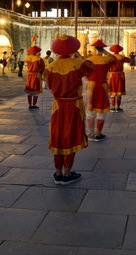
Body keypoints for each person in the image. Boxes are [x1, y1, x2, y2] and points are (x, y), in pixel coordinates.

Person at [45, 35, 95, 185]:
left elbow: (49, 85)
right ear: (72, 49)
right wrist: (78, 56)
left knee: (58, 137)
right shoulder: (77, 63)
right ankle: (67, 172)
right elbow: (91, 67)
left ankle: (58, 172)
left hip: (58, 105)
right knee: (71, 136)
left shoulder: (50, 67)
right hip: (74, 105)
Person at [85, 39, 115, 141]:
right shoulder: (106, 60)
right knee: (101, 111)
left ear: (94, 49)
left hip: (91, 86)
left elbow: (84, 72)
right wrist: (104, 51)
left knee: (90, 110)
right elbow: (114, 59)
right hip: (102, 86)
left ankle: (91, 133)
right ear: (101, 49)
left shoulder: (89, 59)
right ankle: (98, 134)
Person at [108, 44, 129, 112]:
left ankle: (113, 107)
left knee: (112, 90)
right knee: (119, 90)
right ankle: (118, 107)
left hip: (112, 75)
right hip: (120, 75)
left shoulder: (110, 57)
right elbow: (129, 60)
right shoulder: (122, 57)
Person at [25, 45, 45, 110]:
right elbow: (42, 68)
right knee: (36, 90)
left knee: (29, 90)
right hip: (36, 75)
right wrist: (40, 74)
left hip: (29, 75)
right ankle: (34, 104)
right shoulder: (39, 59)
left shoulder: (27, 58)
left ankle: (30, 104)